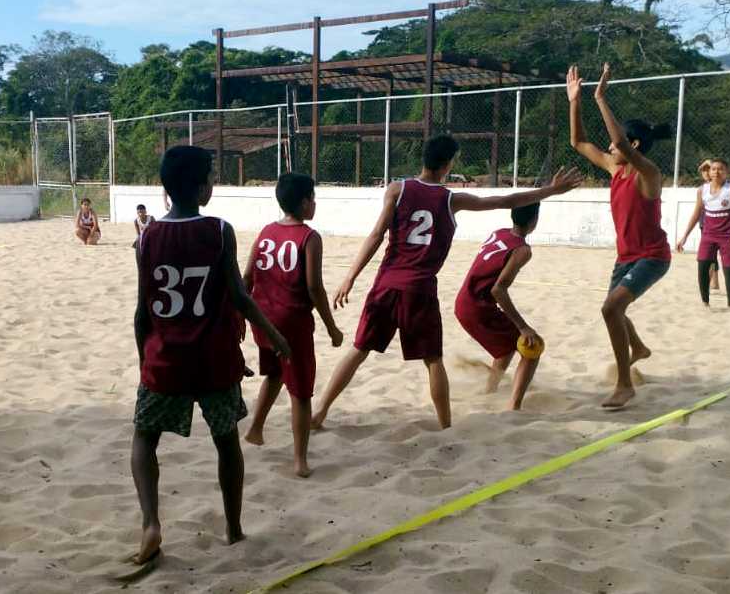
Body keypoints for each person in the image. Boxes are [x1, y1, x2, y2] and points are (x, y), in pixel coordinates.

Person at [312, 135, 583, 430]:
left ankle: (320, 413)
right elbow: (505, 200)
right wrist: (551, 191)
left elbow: (376, 235)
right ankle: (445, 426)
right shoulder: (451, 199)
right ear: (447, 164)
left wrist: (350, 277)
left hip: (387, 284)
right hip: (420, 288)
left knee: (358, 350)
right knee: (433, 361)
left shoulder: (396, 189)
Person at [130, 146, 290, 567]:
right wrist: (273, 334)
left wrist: (143, 360)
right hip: (215, 361)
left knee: (144, 439)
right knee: (226, 444)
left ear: (165, 187)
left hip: (164, 360)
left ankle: (150, 523)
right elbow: (240, 295)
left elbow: (142, 310)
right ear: (203, 187)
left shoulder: (146, 237)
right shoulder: (220, 230)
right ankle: (234, 528)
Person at [567, 63, 671, 410]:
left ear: (634, 143)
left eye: (620, 144)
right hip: (625, 255)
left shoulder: (649, 174)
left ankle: (624, 384)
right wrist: (575, 101)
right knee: (616, 310)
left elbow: (618, 143)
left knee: (611, 308)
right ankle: (638, 348)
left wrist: (599, 97)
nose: (610, 149)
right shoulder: (615, 169)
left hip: (652, 257)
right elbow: (578, 141)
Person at [242, 172, 345, 478]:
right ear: (304, 203)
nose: (315, 203)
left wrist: (243, 315)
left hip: (264, 319)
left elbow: (247, 277)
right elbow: (314, 287)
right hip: (292, 323)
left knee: (274, 373)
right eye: (313, 198)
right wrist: (332, 327)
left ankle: (256, 429)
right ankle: (300, 459)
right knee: (300, 393)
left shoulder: (266, 232)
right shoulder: (309, 237)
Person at [453, 203, 544, 411]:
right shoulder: (522, 250)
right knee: (532, 347)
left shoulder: (499, 233)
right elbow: (498, 290)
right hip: (478, 308)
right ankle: (514, 405)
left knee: (506, 348)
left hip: (463, 301)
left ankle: (490, 391)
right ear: (534, 221)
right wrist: (523, 327)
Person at [676, 158, 730, 310]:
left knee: (728, 270)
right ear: (709, 172)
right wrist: (684, 236)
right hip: (709, 234)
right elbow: (697, 214)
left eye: (721, 169)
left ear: (727, 172)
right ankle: (705, 303)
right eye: (714, 169)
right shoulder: (702, 190)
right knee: (702, 266)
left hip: (729, 235)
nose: (717, 172)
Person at [697, 160, 719, 293]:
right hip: (704, 223)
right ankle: (714, 281)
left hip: (713, 224)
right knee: (711, 254)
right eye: (704, 170)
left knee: (710, 254)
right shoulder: (704, 188)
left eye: (708, 170)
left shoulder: (718, 186)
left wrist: (709, 163)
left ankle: (713, 281)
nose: (704, 172)